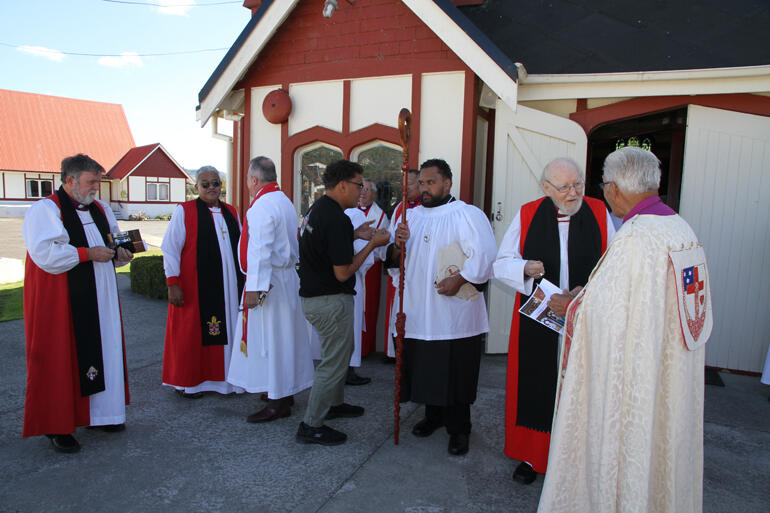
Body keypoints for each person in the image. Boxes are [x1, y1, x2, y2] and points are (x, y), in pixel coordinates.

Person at [537, 146, 712, 513]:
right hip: (671, 371)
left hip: (640, 378)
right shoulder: (679, 227)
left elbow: (608, 320)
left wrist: (570, 307)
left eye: (602, 185)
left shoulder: (635, 237)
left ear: (613, 187)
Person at [493, 157, 615, 484]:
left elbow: (616, 267)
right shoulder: (528, 213)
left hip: (585, 316)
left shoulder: (601, 214)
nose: (573, 192)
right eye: (564, 187)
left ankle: (577, 460)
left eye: (578, 184)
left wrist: (584, 293)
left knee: (581, 386)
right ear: (547, 188)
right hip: (539, 320)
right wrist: (524, 267)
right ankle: (533, 457)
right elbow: (501, 263)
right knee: (537, 383)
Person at [22, 153, 133, 453]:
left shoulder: (100, 208)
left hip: (101, 294)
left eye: (98, 180)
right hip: (62, 299)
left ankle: (101, 414)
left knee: (104, 347)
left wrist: (124, 254)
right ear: (70, 180)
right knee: (61, 356)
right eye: (91, 181)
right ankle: (57, 425)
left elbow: (117, 242)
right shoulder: (46, 210)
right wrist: (87, 254)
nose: (97, 186)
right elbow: (47, 255)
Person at [387, 159, 497, 456]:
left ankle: (459, 428)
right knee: (425, 368)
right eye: (421, 183)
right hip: (419, 312)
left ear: (447, 183)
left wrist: (460, 280)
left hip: (453, 313)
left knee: (456, 372)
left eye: (431, 182)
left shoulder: (467, 215)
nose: (424, 188)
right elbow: (395, 261)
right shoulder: (410, 216)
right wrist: (398, 244)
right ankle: (433, 416)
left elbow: (485, 256)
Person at [296, 159, 390, 445]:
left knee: (339, 352)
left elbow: (323, 241)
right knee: (334, 362)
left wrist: (355, 234)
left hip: (317, 297)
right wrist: (373, 245)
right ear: (342, 185)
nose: (361, 192)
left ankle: (333, 405)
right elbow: (343, 272)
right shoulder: (336, 218)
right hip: (330, 299)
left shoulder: (319, 209)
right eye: (359, 185)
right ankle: (311, 425)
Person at [227, 157, 315, 422]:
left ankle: (278, 401)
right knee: (284, 339)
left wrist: (254, 288)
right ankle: (282, 391)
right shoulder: (283, 200)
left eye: (247, 180)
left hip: (269, 283)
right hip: (284, 280)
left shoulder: (262, 206)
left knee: (271, 341)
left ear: (254, 180)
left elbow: (260, 250)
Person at [161, 166, 244, 398]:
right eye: (205, 184)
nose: (211, 188)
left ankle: (230, 379)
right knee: (192, 334)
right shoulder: (185, 211)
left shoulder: (231, 212)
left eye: (216, 183)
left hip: (230, 287)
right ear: (196, 187)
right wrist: (172, 282)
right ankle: (192, 383)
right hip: (197, 286)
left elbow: (240, 249)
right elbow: (170, 249)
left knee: (231, 328)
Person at [384, 168, 421, 359]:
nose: (405, 188)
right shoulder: (401, 207)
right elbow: (393, 238)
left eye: (411, 184)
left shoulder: (428, 208)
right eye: (403, 184)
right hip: (402, 272)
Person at [357, 179, 389, 367]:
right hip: (352, 265)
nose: (363, 193)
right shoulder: (349, 211)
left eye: (368, 189)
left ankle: (365, 348)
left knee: (368, 306)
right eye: (361, 188)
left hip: (371, 266)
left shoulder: (381, 215)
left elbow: (383, 241)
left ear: (374, 194)